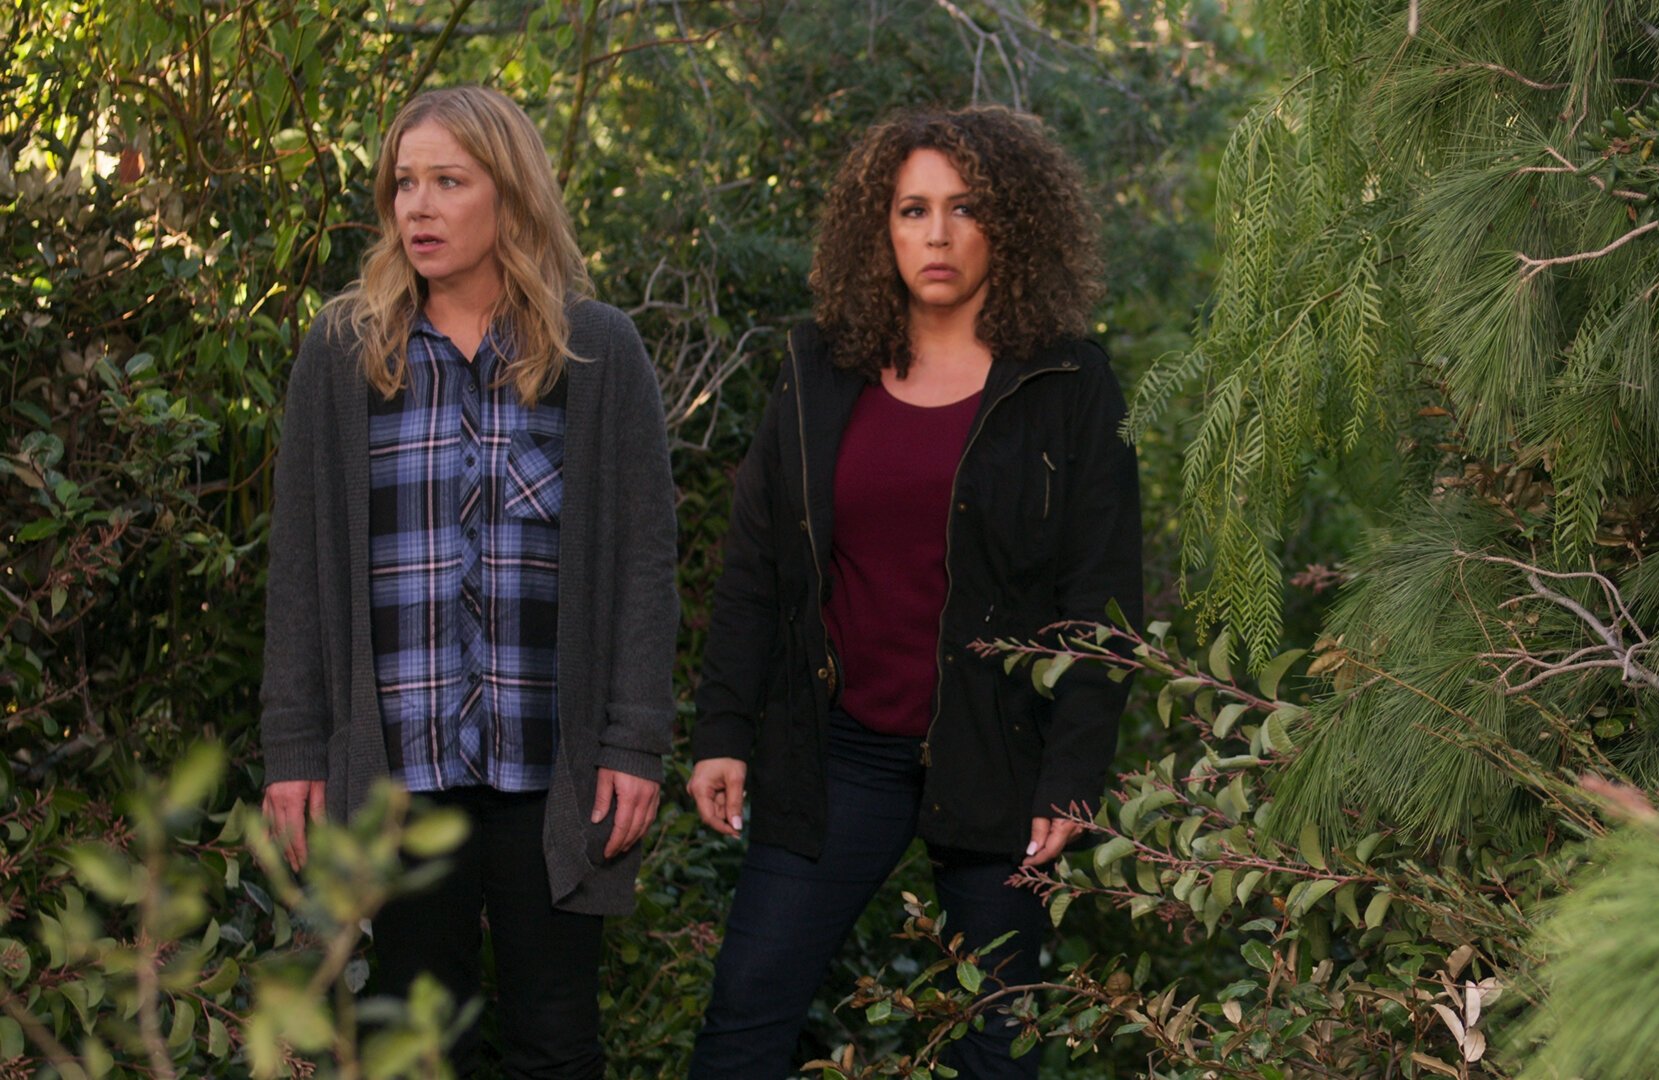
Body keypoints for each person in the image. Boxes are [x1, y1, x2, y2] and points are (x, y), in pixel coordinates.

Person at [687, 105, 1143, 1079]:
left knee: (1001, 1044)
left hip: (995, 751)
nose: (937, 235)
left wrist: (1072, 769)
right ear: (880, 229)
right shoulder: (819, 370)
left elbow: (1103, 598)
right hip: (839, 749)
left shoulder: (1068, 383)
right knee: (745, 1019)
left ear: (1011, 225)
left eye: (964, 208)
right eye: (912, 210)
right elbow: (759, 567)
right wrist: (723, 729)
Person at [258, 85, 678, 1079]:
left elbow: (642, 566)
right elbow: (302, 566)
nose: (419, 206)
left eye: (449, 181)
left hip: (551, 768)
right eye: (405, 183)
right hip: (398, 771)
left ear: (511, 193)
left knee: (555, 1043)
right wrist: (294, 748)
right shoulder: (344, 353)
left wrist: (634, 741)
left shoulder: (596, 352)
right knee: (411, 1046)